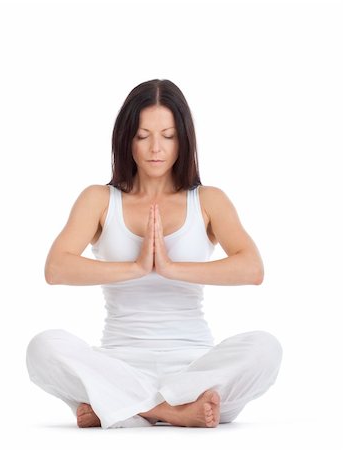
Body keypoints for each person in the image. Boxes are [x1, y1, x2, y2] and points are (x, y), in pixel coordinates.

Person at [26, 79, 283, 430]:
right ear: (126, 139)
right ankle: (172, 411)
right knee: (42, 347)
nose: (155, 148)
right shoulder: (99, 199)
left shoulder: (208, 200)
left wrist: (170, 268)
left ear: (184, 139)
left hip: (194, 367)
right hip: (119, 363)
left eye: (168, 135)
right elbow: (56, 268)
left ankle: (124, 407)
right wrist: (135, 267)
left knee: (265, 348)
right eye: (143, 136)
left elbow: (252, 268)